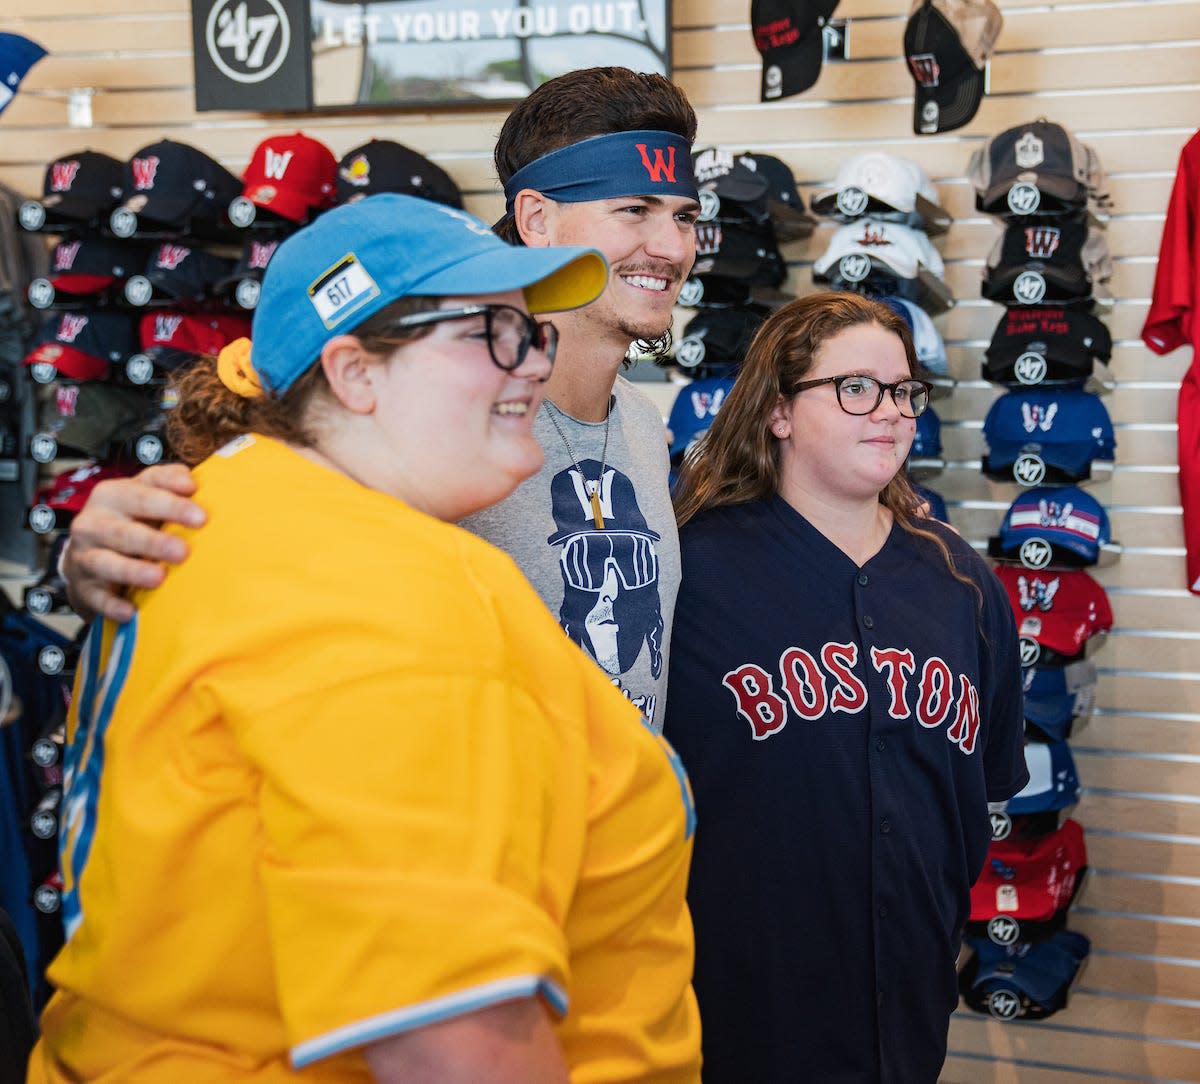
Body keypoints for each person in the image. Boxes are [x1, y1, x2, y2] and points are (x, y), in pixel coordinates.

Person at [27, 194, 701, 1083]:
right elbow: (453, 1043)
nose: (535, 365)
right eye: (488, 333)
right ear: (353, 374)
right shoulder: (387, 591)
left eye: (531, 332)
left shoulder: (225, 512)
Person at [61, 67, 700, 732]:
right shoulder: (439, 437)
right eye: (634, 209)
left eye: (685, 217)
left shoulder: (639, 425)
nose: (672, 247)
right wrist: (111, 571)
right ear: (535, 218)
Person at [664, 292, 1028, 1084]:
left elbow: (979, 793)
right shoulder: (690, 572)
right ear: (778, 411)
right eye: (855, 387)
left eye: (903, 391)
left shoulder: (961, 580)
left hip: (908, 1005)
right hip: (733, 1011)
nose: (891, 413)